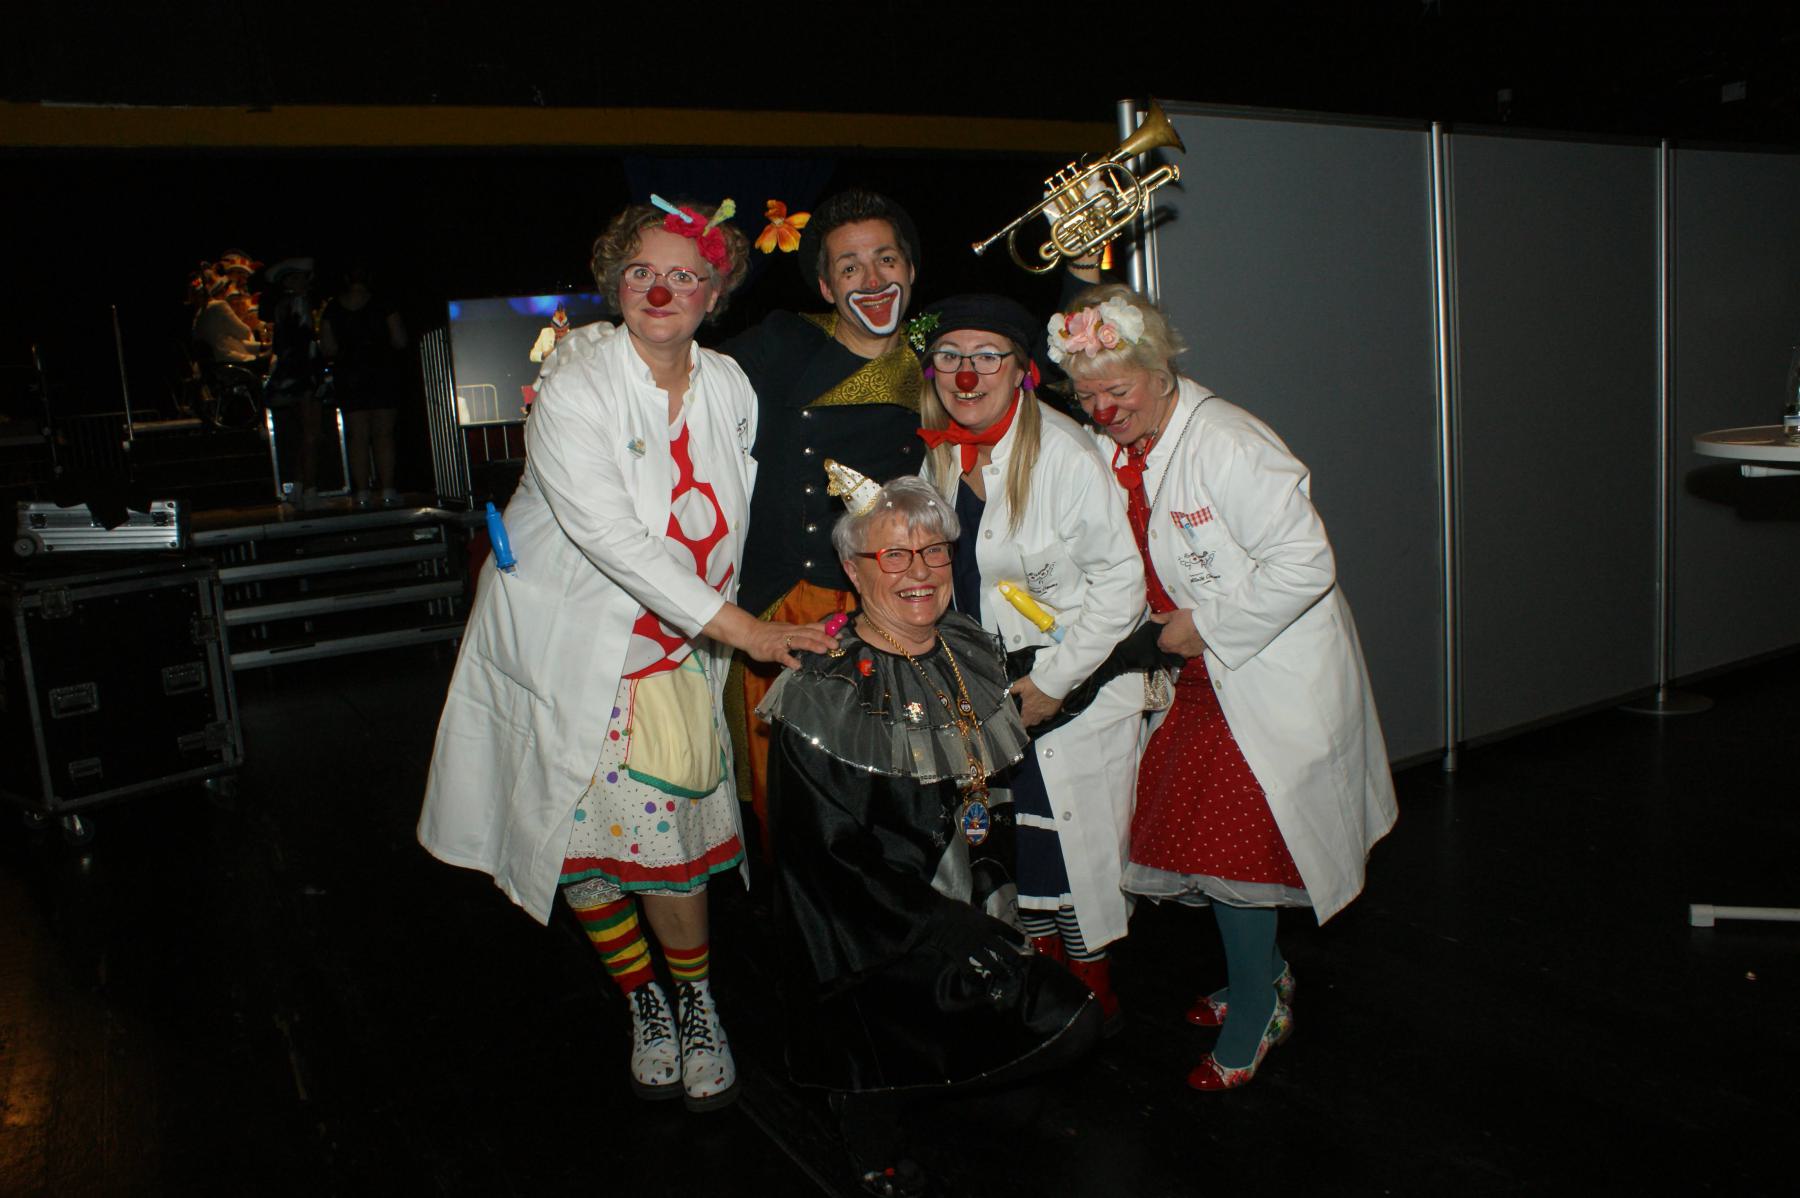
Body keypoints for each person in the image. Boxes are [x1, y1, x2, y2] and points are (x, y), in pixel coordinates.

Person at [418, 198, 838, 1113]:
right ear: (616, 282)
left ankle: (696, 1002)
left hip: (674, 650)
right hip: (568, 641)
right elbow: (609, 536)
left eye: (686, 274)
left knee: (669, 844)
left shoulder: (730, 384)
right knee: (578, 844)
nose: (661, 290)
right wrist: (749, 632)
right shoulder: (577, 383)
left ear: (715, 293)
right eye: (643, 271)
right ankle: (644, 999)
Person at [1051, 284, 1397, 1090]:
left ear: (1160, 371)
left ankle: (1259, 1005)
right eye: (1087, 395)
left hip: (1261, 665)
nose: (1101, 409)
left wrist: (1203, 625)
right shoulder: (1120, 447)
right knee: (1202, 837)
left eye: (1116, 390)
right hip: (1197, 676)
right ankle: (1263, 973)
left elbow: (1306, 564)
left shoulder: (1231, 442)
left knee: (1229, 844)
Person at [759, 468, 1099, 1197]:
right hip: (873, 938)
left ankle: (936, 1073)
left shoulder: (962, 647)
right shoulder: (826, 690)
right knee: (1065, 1027)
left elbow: (996, 758)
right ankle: (867, 1106)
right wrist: (946, 928)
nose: (920, 571)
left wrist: (1123, 653)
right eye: (894, 555)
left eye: (934, 551)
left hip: (966, 903)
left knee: (1056, 1047)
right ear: (854, 571)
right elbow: (823, 861)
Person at [914, 293, 1149, 1029]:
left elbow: (1123, 589)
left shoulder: (1064, 453)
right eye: (951, 356)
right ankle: (1045, 998)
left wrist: (1050, 684)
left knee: (1072, 853)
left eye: (988, 356)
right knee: (1017, 849)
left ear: (1022, 371)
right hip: (992, 689)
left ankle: (1092, 1001)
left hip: (1071, 687)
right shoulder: (942, 453)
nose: (968, 373)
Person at [719, 189, 929, 852]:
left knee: (891, 806)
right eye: (849, 267)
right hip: (783, 609)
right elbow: (683, 378)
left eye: (885, 259)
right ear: (826, 286)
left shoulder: (937, 367)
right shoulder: (781, 343)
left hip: (890, 612)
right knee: (791, 809)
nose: (871, 279)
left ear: (910, 270)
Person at [319, 262, 408, 507]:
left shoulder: (333, 308)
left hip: (350, 375)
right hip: (382, 372)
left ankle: (361, 492)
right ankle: (387, 489)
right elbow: (400, 339)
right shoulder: (384, 303)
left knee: (357, 436)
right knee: (384, 434)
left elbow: (328, 347)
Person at [260, 257, 328, 507]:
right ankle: (310, 490)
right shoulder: (298, 303)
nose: (305, 282)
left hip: (293, 372)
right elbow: (303, 340)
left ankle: (299, 488)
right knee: (312, 432)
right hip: (303, 373)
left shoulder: (282, 305)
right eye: (299, 278)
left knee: (302, 433)